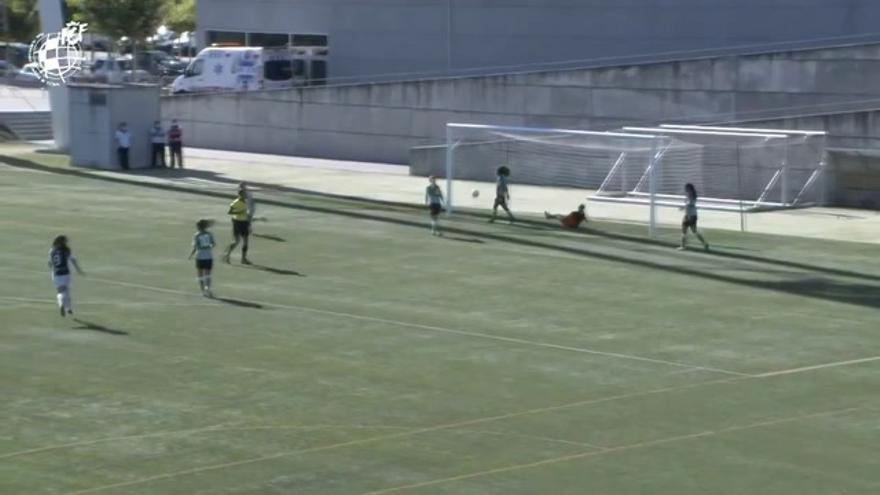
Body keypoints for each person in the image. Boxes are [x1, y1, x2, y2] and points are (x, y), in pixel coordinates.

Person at [48, 235, 84, 317]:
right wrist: (78, 270)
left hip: (56, 274)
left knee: (60, 291)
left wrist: (51, 270)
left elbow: (50, 263)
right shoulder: (66, 250)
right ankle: (68, 307)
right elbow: (73, 260)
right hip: (65, 274)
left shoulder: (51, 250)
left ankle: (63, 305)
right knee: (66, 290)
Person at [223, 189, 252, 264]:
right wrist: (240, 212)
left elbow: (246, 212)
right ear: (240, 194)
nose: (246, 195)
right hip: (238, 222)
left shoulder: (245, 201)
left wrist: (248, 222)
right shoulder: (235, 202)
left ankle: (243, 258)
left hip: (244, 222)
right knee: (237, 241)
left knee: (244, 241)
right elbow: (229, 212)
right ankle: (227, 255)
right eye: (244, 194)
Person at [188, 219, 216, 297]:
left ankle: (203, 290)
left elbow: (195, 246)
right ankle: (208, 288)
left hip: (200, 256)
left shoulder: (196, 235)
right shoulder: (209, 234)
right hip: (209, 255)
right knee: (208, 274)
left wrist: (191, 255)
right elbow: (213, 244)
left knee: (200, 274)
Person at [679, 183, 709, 251]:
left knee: (694, 231)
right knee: (684, 230)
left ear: (690, 189)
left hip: (692, 216)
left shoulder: (693, 196)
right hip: (687, 215)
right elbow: (687, 205)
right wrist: (683, 208)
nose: (685, 190)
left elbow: (690, 204)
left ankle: (705, 243)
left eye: (686, 189)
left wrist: (683, 207)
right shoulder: (688, 196)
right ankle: (683, 245)